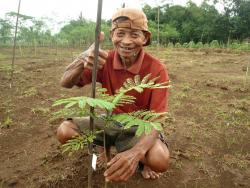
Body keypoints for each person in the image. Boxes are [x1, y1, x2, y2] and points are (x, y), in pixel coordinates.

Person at [57, 8, 170, 182]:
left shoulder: (156, 68)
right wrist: (82, 60)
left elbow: (156, 120)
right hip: (110, 120)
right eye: (121, 33)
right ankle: (102, 145)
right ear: (112, 35)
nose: (126, 41)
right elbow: (65, 82)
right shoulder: (102, 60)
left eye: (134, 34)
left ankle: (141, 158)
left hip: (140, 126)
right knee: (65, 131)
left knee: (159, 160)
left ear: (145, 38)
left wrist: (136, 153)